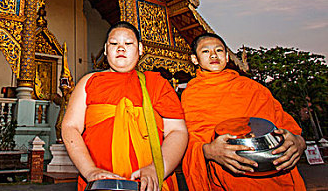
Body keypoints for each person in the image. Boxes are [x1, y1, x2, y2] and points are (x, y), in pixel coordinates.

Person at [62, 21, 188, 191]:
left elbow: (177, 131)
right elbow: (70, 127)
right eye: (114, 44)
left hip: (151, 182)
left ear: (140, 49)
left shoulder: (157, 84)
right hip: (99, 181)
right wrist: (90, 170)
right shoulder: (89, 82)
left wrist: (157, 169)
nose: (120, 48)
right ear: (106, 50)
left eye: (128, 43)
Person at [181, 33, 306, 190]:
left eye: (219, 50)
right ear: (195, 59)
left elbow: (284, 124)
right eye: (205, 51)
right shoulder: (191, 96)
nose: (213, 55)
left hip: (273, 173)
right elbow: (188, 141)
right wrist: (208, 151)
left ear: (227, 56)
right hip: (227, 177)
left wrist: (298, 142)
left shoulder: (253, 88)